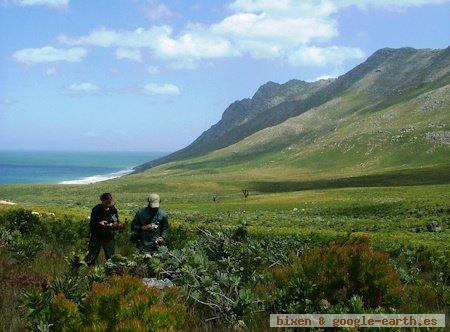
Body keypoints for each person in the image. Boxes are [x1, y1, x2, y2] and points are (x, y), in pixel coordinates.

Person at [85, 193, 122, 266]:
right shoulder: (96, 209)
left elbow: (116, 221)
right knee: (91, 256)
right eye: (107, 202)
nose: (108, 204)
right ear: (102, 200)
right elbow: (92, 224)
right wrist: (99, 223)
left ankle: (110, 272)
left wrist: (116, 225)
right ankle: (88, 270)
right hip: (96, 237)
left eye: (109, 202)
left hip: (109, 237)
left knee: (111, 258)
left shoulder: (113, 210)